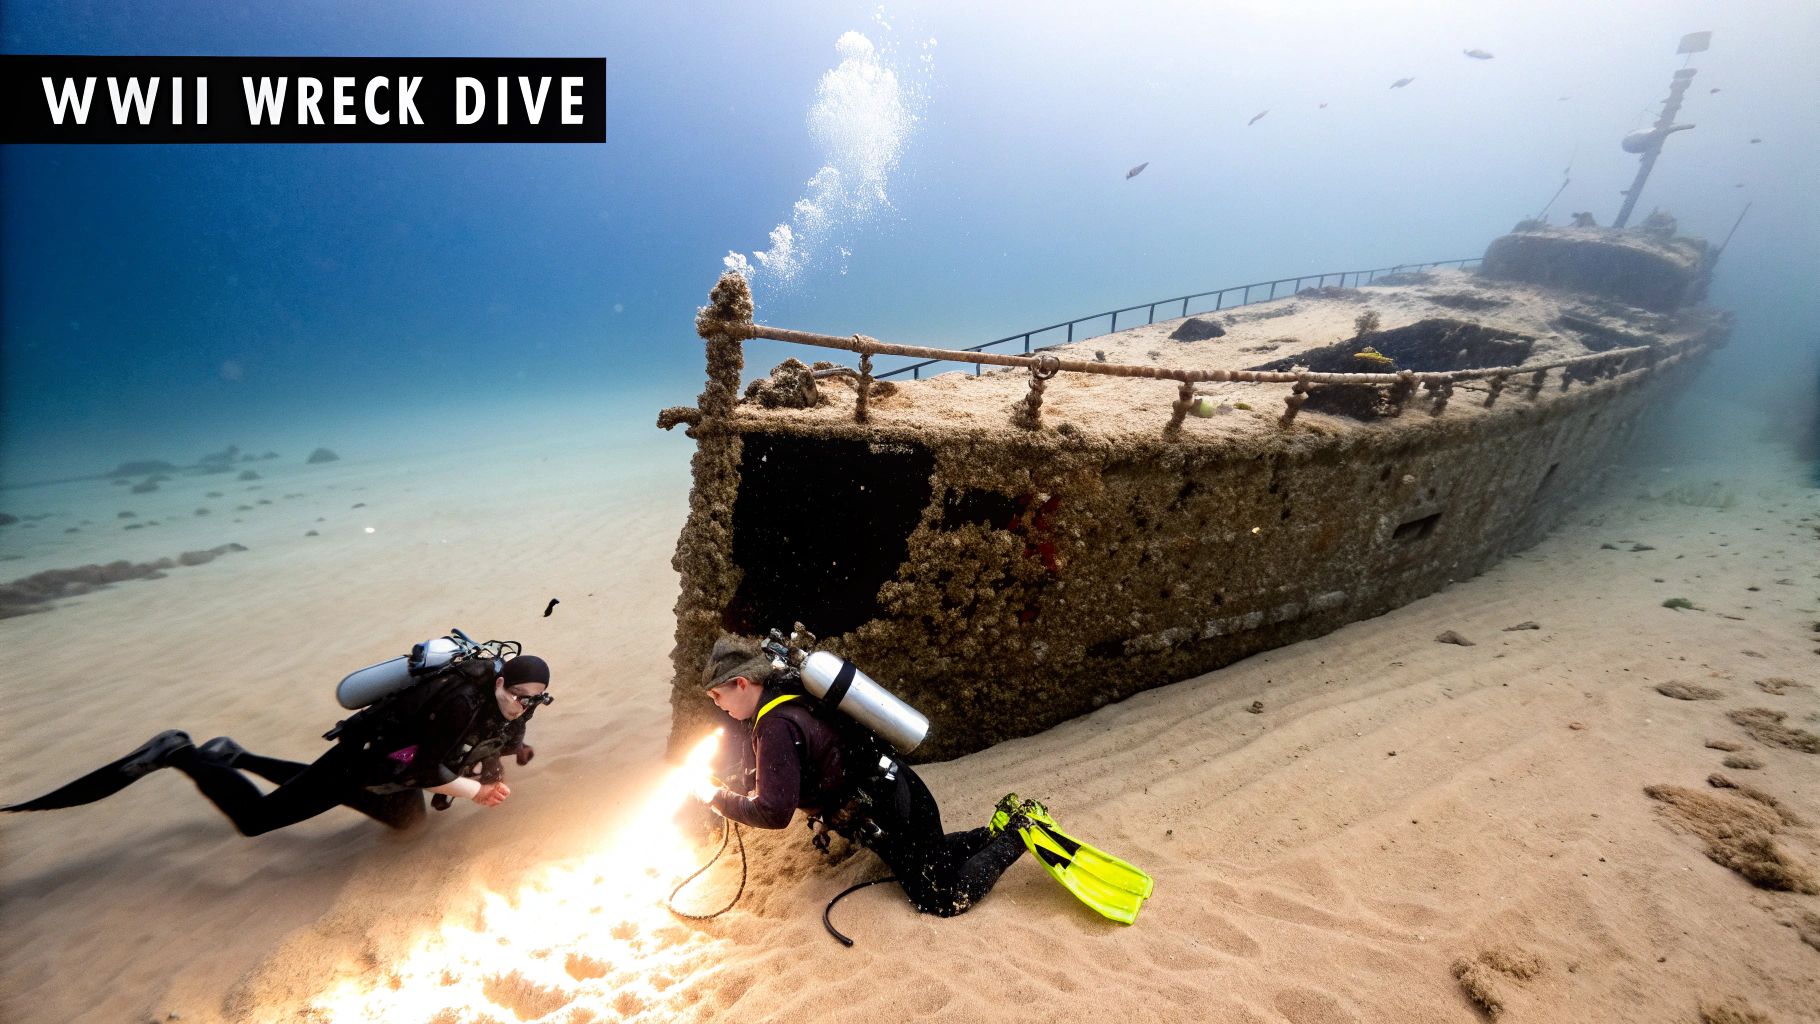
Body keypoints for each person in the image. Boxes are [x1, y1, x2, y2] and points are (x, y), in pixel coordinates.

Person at [3, 653, 553, 837]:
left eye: (536, 701)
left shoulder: (509, 712)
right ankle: (178, 750)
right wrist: (472, 791)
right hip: (367, 762)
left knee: (407, 828)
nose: (523, 706)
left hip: (397, 766)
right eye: (519, 695)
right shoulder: (459, 702)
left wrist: (501, 766)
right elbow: (432, 763)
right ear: (499, 683)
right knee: (256, 821)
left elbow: (497, 743)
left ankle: (235, 755)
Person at [692, 636, 1027, 917]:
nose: (717, 705)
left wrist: (714, 798)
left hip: (894, 809)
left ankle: (1020, 835)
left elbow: (773, 812)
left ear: (741, 683)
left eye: (717, 696)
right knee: (933, 855)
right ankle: (994, 831)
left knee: (941, 897)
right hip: (895, 787)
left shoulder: (775, 726)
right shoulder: (786, 691)